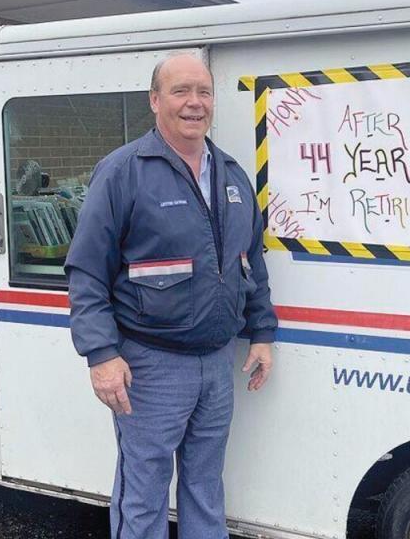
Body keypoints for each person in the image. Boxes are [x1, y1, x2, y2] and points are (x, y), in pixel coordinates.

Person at [64, 52, 277, 539]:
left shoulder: (232, 175)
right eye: (181, 91)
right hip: (150, 366)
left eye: (204, 92)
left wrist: (261, 333)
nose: (194, 103)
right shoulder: (123, 172)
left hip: (217, 362)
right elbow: (87, 271)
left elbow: (252, 262)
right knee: (143, 496)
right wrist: (101, 353)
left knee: (206, 487)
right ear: (155, 100)